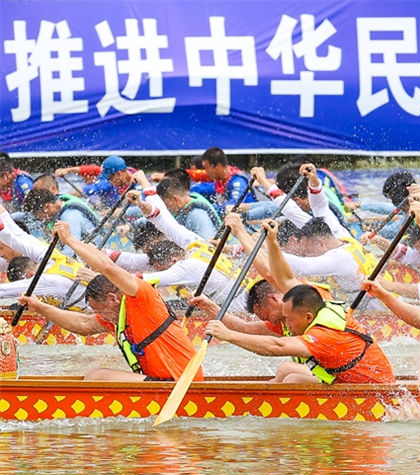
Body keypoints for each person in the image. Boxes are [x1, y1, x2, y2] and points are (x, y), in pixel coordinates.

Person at [17, 221, 200, 382]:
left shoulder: (142, 296)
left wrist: (70, 240)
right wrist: (39, 306)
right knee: (94, 374)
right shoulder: (118, 316)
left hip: (181, 383)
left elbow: (107, 266)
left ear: (112, 299)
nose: (100, 315)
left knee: (96, 376)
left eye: (100, 310)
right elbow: (83, 323)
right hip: (165, 381)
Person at [205, 284, 395, 384]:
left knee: (290, 375)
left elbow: (276, 346)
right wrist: (211, 308)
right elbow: (247, 330)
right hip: (348, 381)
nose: (284, 325)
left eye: (288, 319)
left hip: (373, 390)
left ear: (307, 316)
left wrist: (227, 336)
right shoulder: (308, 316)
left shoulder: (324, 335)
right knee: (287, 372)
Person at [22, 187, 100, 244]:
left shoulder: (69, 215)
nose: (39, 219)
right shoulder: (59, 200)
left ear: (47, 207)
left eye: (38, 215)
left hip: (96, 249)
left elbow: (71, 251)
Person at [192, 147, 254, 214]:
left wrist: (207, 208)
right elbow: (201, 188)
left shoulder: (238, 181)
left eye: (207, 168)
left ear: (218, 166)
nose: (206, 172)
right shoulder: (220, 181)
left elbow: (234, 205)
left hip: (250, 222)